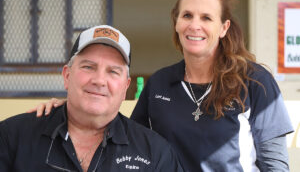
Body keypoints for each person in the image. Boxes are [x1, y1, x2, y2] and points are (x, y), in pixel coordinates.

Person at [29, 0, 294, 172]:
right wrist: (73, 110)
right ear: (176, 22)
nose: (195, 25)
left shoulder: (254, 82)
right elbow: (125, 137)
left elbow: (275, 165)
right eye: (187, 15)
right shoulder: (159, 83)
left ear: (224, 27)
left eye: (207, 18)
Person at [0, 25, 184, 172]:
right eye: (88, 67)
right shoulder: (12, 137)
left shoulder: (155, 152)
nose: (99, 81)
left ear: (125, 87)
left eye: (113, 71)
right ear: (67, 76)